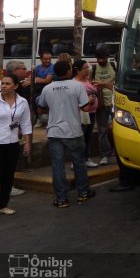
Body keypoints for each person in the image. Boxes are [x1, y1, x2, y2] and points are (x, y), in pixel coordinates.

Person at [37, 61, 96, 208]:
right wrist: (89, 100)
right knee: (79, 163)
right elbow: (85, 108)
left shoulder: (47, 88)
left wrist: (55, 109)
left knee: (57, 166)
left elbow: (41, 109)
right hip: (73, 131)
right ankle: (83, 192)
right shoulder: (77, 86)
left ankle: (61, 198)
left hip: (54, 132)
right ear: (69, 71)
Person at [0, 74, 32, 214]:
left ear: (16, 86)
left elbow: (26, 123)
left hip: (13, 143)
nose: (3, 86)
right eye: (2, 83)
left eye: (7, 84)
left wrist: (27, 143)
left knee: (8, 175)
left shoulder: (23, 102)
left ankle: (3, 205)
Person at [90, 48, 116, 166]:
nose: (101, 60)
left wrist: (103, 84)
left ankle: (118, 151)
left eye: (104, 58)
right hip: (100, 103)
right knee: (102, 130)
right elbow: (89, 85)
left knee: (118, 128)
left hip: (114, 102)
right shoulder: (93, 69)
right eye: (99, 58)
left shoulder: (114, 66)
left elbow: (117, 84)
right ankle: (105, 155)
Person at [72, 60, 99, 168]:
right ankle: (77, 160)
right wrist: (87, 100)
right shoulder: (74, 83)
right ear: (77, 70)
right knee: (80, 138)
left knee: (88, 136)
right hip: (81, 114)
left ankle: (86, 158)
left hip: (91, 112)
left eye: (88, 67)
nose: (88, 70)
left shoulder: (87, 80)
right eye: (85, 68)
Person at [33, 52, 54, 128]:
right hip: (39, 89)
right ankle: (38, 119)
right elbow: (30, 78)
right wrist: (30, 81)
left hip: (49, 90)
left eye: (49, 59)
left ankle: (44, 120)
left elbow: (47, 80)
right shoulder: (38, 67)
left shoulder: (52, 67)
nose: (48, 60)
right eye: (46, 59)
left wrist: (36, 79)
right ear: (41, 59)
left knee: (37, 99)